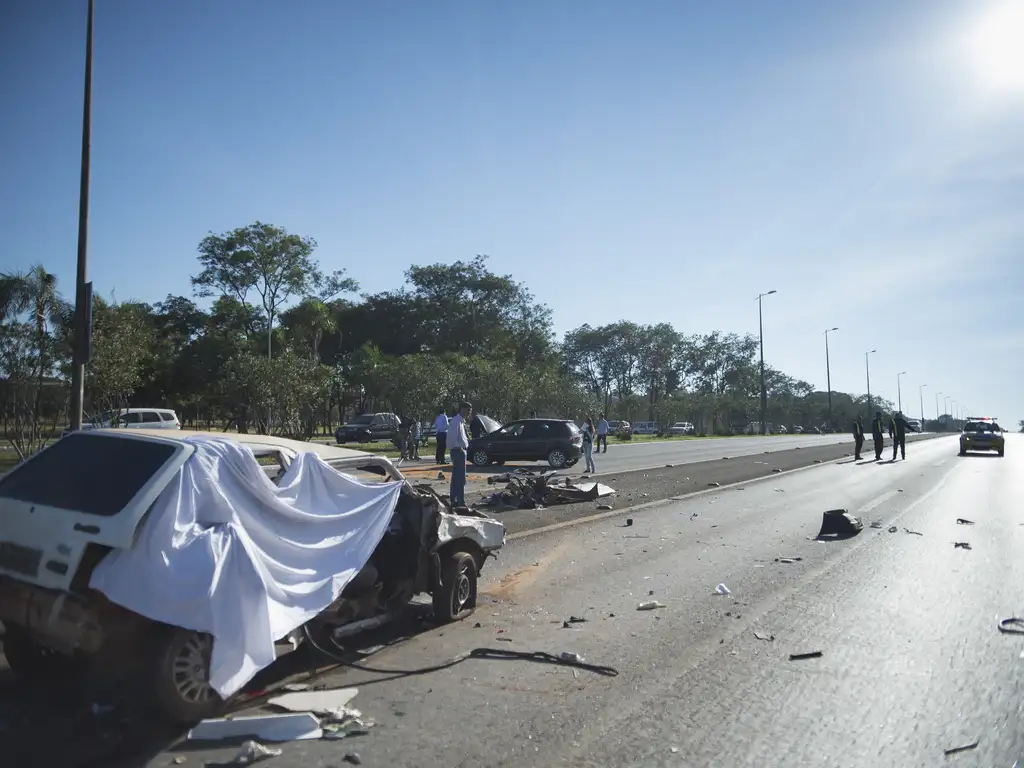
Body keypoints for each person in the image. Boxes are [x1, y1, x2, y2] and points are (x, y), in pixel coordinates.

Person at [448, 401, 472, 508]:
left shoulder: (461, 421)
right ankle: (460, 501)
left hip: (460, 451)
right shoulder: (456, 421)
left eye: (470, 410)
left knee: (456, 478)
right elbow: (451, 438)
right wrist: (458, 448)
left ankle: (454, 499)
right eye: (468, 410)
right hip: (458, 451)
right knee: (460, 479)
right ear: (462, 409)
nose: (469, 412)